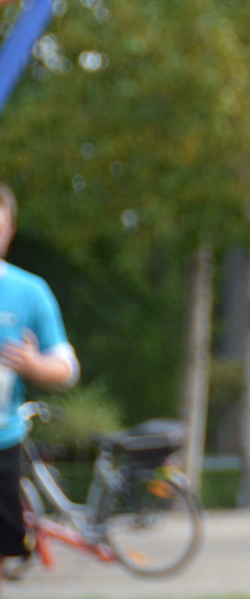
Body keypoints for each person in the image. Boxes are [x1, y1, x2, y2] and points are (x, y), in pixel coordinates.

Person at [0, 184, 78, 587]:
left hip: (2, 442)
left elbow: (67, 367)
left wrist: (33, 364)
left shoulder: (30, 292)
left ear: (10, 229)